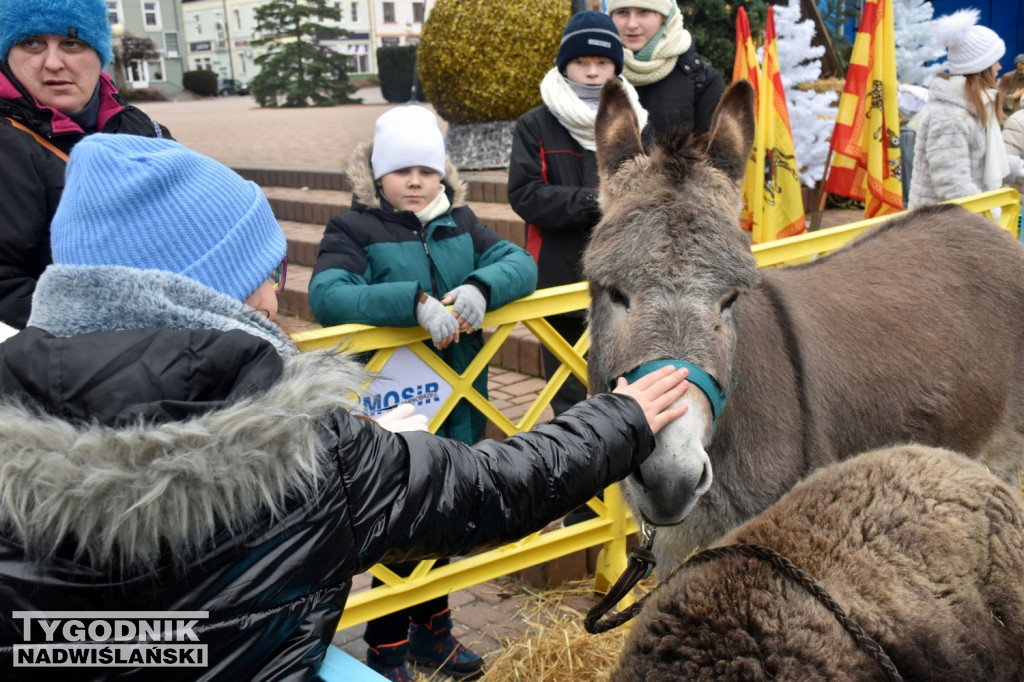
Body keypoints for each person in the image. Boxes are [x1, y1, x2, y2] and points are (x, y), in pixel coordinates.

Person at [0, 133, 691, 681]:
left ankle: (429, 632)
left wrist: (480, 286)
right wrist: (620, 418)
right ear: (207, 293)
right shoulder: (303, 449)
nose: (275, 298)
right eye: (262, 276)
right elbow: (493, 488)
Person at [307, 105, 538, 679]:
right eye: (402, 171)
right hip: (393, 409)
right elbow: (328, 294)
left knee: (443, 515)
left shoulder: (459, 222)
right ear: (377, 176)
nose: (415, 182)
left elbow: (518, 262)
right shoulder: (352, 229)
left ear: (443, 174)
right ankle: (386, 650)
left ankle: (434, 634)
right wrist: (410, 303)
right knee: (396, 523)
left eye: (427, 171)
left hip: (459, 402)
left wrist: (483, 286)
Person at [508, 11, 648, 417]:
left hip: (623, 278)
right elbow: (526, 194)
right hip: (559, 273)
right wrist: (595, 201)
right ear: (564, 64)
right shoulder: (535, 125)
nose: (592, 73)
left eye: (603, 63)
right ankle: (576, 463)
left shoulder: (636, 122)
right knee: (566, 387)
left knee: (623, 374)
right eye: (581, 63)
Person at [0, 0, 170, 329]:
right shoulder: (8, 144)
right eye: (31, 43)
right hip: (76, 366)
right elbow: (7, 293)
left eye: (72, 43)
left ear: (98, 54)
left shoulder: (140, 128)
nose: (52, 63)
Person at [908, 9, 1024, 208]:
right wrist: (991, 217)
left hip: (964, 225)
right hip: (939, 230)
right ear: (981, 67)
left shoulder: (974, 108)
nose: (999, 67)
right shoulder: (950, 117)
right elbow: (953, 185)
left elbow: (988, 159)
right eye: (995, 61)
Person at [606, 0, 725, 137]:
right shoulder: (594, 74)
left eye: (644, 12)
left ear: (665, 17)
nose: (632, 24)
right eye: (622, 12)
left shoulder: (703, 81)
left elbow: (713, 153)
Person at [997, 53, 1024, 122]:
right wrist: (1013, 97)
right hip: (1008, 115)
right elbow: (998, 100)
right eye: (1020, 70)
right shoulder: (1008, 78)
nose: (1022, 72)